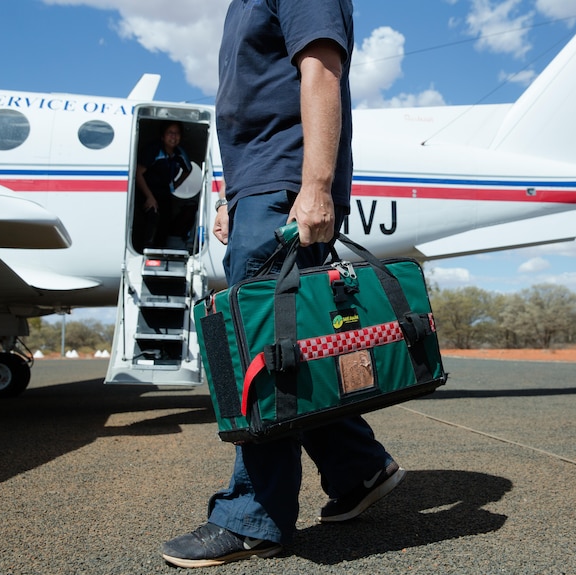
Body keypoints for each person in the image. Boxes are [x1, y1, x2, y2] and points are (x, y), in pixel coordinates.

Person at [161, 0, 405, 568]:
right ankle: (359, 468)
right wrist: (230, 195)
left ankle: (254, 517)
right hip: (260, 189)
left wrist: (315, 185)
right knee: (286, 351)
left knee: (260, 354)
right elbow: (251, 102)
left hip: (283, 187)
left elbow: (321, 69)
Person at [134, 121, 195, 250]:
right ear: (163, 136)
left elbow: (188, 169)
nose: (174, 136)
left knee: (165, 222)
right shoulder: (154, 150)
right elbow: (138, 173)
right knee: (149, 220)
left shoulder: (179, 153)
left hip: (164, 192)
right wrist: (149, 197)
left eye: (177, 133)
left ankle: (159, 249)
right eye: (170, 133)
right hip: (145, 191)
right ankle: (143, 249)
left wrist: (174, 185)